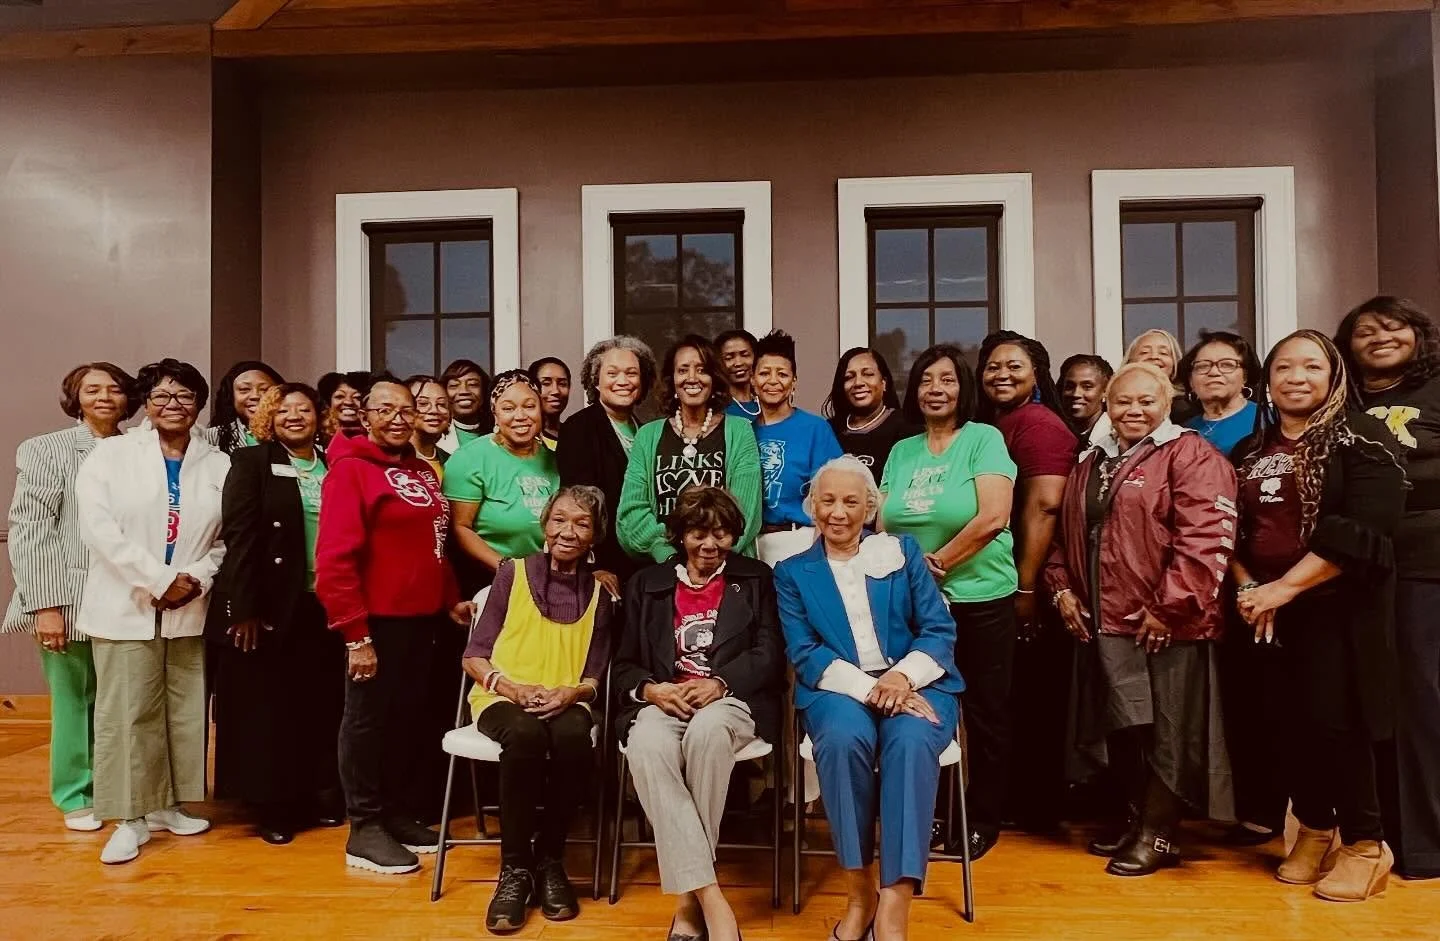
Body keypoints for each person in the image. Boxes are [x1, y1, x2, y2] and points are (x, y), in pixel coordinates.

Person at [1233, 329, 1407, 900]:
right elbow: (1231, 534)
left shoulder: (1362, 437)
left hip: (1338, 609)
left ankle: (1365, 843)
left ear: (1333, 376)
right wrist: (1251, 590)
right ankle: (1314, 827)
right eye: (1285, 367)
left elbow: (1365, 529)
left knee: (1340, 727)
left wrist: (1284, 588)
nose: (1297, 377)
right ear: (1268, 379)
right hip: (1267, 612)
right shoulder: (1251, 451)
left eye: (1311, 366)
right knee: (1285, 728)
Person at [1044, 362, 1237, 877]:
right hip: (1106, 622)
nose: (1133, 411)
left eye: (1145, 401)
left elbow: (1206, 539)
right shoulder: (1093, 460)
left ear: (1168, 403)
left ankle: (1160, 833)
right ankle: (1136, 819)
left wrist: (1168, 607)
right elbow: (1066, 535)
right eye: (1122, 401)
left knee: (1167, 734)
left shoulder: (1191, 455)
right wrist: (1061, 588)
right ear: (1107, 404)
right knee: (1126, 729)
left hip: (1167, 624)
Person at [776, 456, 963, 941]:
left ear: (870, 508)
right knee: (840, 742)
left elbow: (938, 630)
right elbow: (805, 653)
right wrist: (873, 689)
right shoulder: (792, 572)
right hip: (839, 687)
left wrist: (901, 678)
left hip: (917, 683)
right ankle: (859, 894)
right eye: (828, 500)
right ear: (812, 506)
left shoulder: (902, 552)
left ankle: (895, 908)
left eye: (851, 502)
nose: (838, 512)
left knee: (910, 742)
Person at [74, 359, 230, 865]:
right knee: (126, 714)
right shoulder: (111, 455)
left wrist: (196, 579)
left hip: (188, 606)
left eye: (184, 397)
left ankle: (168, 804)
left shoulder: (217, 462)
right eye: (162, 397)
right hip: (126, 604)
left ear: (199, 404)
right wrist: (159, 580)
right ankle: (127, 817)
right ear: (145, 403)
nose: (173, 406)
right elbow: (99, 529)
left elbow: (226, 539)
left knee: (183, 712)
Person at [614, 486, 783, 941]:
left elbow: (770, 653)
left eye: (723, 534)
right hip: (663, 700)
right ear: (679, 536)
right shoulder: (646, 585)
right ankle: (709, 894)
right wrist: (652, 689)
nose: (710, 545)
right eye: (698, 533)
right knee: (646, 742)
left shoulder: (756, 579)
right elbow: (624, 662)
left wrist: (720, 683)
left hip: (731, 700)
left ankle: (688, 906)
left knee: (707, 733)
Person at [316, 376, 465, 875]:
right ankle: (365, 827)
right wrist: (356, 635)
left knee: (408, 722)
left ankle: (397, 814)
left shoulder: (422, 471)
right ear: (364, 414)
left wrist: (451, 601)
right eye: (386, 410)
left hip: (422, 621)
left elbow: (435, 545)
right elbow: (334, 559)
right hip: (375, 624)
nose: (398, 419)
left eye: (407, 410)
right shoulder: (350, 472)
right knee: (367, 724)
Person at [878, 343, 1016, 861]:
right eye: (926, 381)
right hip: (916, 606)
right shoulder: (902, 450)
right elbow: (881, 523)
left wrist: (934, 566)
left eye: (948, 380)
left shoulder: (984, 439)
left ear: (964, 388)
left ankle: (982, 817)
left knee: (985, 711)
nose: (936, 389)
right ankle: (936, 810)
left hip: (980, 597)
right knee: (928, 706)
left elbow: (992, 517)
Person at [461, 486, 615, 933]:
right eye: (560, 519)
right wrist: (511, 687)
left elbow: (594, 675)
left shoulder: (601, 592)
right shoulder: (513, 573)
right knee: (525, 736)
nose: (568, 531)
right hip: (501, 696)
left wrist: (570, 694)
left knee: (570, 738)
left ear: (595, 535)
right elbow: (474, 655)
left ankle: (550, 860)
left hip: (566, 699)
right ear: (545, 524)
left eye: (581, 523)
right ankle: (515, 869)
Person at [4, 362, 136, 832]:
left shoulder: (139, 448)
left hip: (128, 599)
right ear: (74, 397)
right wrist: (45, 604)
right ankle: (76, 795)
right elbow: (30, 528)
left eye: (114, 389)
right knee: (74, 699)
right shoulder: (46, 450)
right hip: (68, 599)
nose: (104, 397)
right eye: (92, 389)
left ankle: (118, 790)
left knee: (118, 701)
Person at [209, 383, 344, 845]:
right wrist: (243, 609)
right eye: (283, 409)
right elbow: (240, 537)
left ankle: (315, 795)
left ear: (318, 416)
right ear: (269, 416)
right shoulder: (252, 463)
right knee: (271, 710)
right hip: (270, 606)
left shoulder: (333, 465)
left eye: (304, 409)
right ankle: (275, 807)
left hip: (323, 602)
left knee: (318, 706)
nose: (294, 416)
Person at [1336, 295, 1440, 881]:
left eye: (1393, 325)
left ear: (1417, 333)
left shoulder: (1437, 389)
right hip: (1358, 569)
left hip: (1426, 564)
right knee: (1371, 704)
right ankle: (1380, 837)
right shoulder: (1341, 402)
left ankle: (1426, 846)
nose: (1379, 336)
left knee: (1420, 702)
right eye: (1364, 330)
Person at [975, 331, 1077, 833]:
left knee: (1034, 698)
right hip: (1007, 579)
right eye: (992, 366)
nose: (1002, 374)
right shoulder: (997, 425)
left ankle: (1037, 808)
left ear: (1037, 372)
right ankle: (1018, 803)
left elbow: (1045, 505)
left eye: (1014, 366)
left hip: (1030, 582)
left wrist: (1026, 586)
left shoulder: (1039, 424)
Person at [617, 335, 762, 563]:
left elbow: (746, 511)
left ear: (714, 378)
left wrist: (710, 552)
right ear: (672, 379)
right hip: (664, 567)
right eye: (683, 370)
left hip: (725, 567)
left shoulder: (739, 431)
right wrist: (668, 554)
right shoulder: (647, 436)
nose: (692, 378)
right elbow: (631, 511)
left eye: (702, 370)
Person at [443, 370, 559, 593]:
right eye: (508, 408)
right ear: (495, 414)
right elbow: (460, 528)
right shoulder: (470, 458)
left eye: (529, 406)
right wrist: (506, 568)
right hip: (489, 581)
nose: (520, 415)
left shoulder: (556, 459)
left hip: (548, 581)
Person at [555, 336, 658, 583]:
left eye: (631, 373)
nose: (623, 381)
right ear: (596, 381)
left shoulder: (647, 432)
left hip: (646, 562)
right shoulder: (579, 428)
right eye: (612, 373)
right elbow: (579, 503)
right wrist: (595, 566)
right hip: (604, 567)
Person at [751, 330, 843, 565]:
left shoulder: (814, 429)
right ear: (753, 381)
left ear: (794, 382)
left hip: (799, 540)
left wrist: (817, 554)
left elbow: (832, 494)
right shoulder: (742, 432)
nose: (773, 381)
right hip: (750, 545)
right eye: (764, 373)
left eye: (782, 374)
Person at [824, 346, 916, 478]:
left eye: (868, 374)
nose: (858, 383)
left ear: (884, 383)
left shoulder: (906, 427)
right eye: (849, 377)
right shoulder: (829, 430)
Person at [1177, 331, 1261, 457]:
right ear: (1191, 382)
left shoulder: (1265, 421)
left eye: (1227, 364)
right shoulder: (1182, 431)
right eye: (1203, 366)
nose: (1214, 372)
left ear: (1245, 377)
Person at [209, 361, 284, 454]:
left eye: (265, 389)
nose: (255, 396)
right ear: (231, 397)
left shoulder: (292, 430)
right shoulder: (213, 436)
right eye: (244, 389)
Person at [1124, 329, 1195, 424]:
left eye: (1163, 353)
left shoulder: (1185, 410)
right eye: (1144, 352)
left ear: (1175, 364)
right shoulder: (1115, 403)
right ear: (1130, 362)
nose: (1154, 356)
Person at [439, 358, 492, 452]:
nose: (464, 391)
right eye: (454, 385)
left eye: (473, 384)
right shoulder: (435, 435)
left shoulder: (499, 433)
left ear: (484, 392)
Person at [406, 374, 451, 479]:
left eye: (441, 404)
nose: (434, 410)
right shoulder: (392, 459)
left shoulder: (452, 461)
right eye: (423, 403)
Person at [1059, 354, 1113, 440]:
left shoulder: (1115, 437)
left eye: (1087, 387)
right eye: (1070, 386)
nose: (1076, 394)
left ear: (1105, 391)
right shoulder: (1056, 431)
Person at [716, 328, 760, 422]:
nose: (738, 363)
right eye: (729, 358)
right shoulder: (716, 408)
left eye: (745, 355)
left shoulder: (765, 403)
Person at [528, 356, 572, 449]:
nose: (556, 391)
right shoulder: (524, 436)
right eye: (546, 383)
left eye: (562, 384)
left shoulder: (576, 435)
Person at [317, 371, 369, 443]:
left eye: (357, 397)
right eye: (340, 396)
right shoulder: (315, 439)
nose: (348, 402)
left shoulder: (377, 439)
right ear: (328, 404)